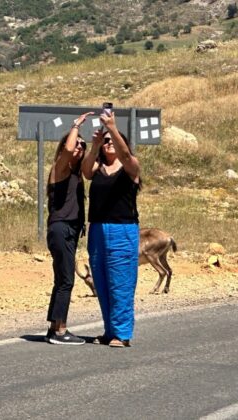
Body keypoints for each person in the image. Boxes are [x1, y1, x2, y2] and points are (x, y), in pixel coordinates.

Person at [81, 111, 141, 348]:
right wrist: (94, 146)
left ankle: (122, 333)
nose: (109, 144)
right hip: (97, 229)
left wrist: (113, 129)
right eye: (106, 140)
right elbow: (85, 171)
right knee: (103, 281)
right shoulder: (97, 169)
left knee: (121, 282)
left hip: (122, 230)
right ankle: (109, 330)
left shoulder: (130, 169)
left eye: (112, 141)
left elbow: (126, 156)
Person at [44, 112, 91, 345]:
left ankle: (54, 327)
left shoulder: (75, 174)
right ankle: (61, 331)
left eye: (84, 144)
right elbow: (68, 150)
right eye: (77, 143)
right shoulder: (60, 168)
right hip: (61, 229)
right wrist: (76, 126)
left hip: (69, 231)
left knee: (62, 279)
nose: (80, 147)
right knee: (66, 281)